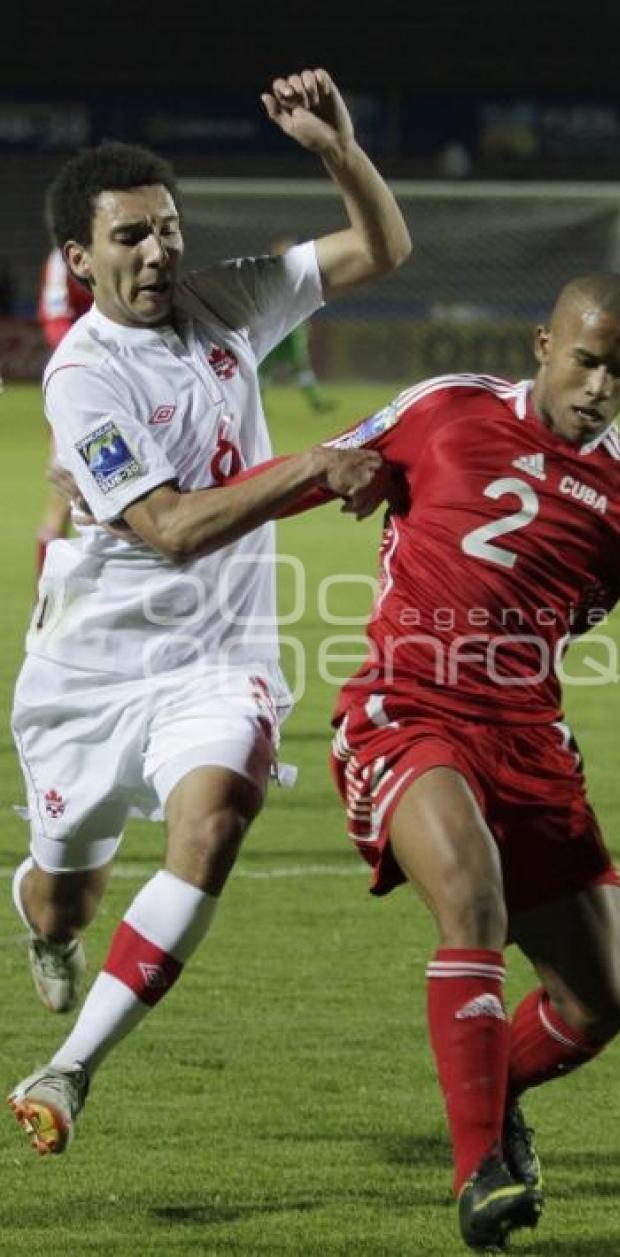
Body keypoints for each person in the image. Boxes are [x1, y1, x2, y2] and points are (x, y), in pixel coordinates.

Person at [236, 273, 620, 1248]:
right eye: (585, 360)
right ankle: (478, 1175)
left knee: (603, 997)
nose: (598, 386)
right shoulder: (444, 407)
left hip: (528, 741)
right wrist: (222, 511)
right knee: (471, 897)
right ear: (543, 344)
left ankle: (491, 1092)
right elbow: (316, 465)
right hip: (403, 709)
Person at [7, 66, 410, 1158]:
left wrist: (337, 148)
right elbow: (174, 529)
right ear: (80, 259)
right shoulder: (84, 380)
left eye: (169, 230)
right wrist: (314, 469)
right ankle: (41, 918)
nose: (157, 253)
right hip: (90, 673)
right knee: (66, 897)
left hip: (217, 657)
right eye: (130, 237)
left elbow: (380, 250)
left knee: (220, 813)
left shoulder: (229, 298)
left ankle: (69, 1069)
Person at [35, 247, 94, 578]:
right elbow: (53, 319)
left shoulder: (124, 250)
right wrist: (86, 354)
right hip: (77, 389)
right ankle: (45, 605)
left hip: (127, 386)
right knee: (64, 500)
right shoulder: (62, 259)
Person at [259, 235, 338, 411]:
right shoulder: (283, 277)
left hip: (280, 328)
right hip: (283, 329)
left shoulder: (273, 276)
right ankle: (315, 402)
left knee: (278, 367)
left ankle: (316, 402)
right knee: (290, 367)